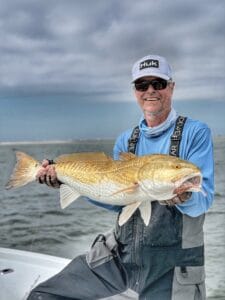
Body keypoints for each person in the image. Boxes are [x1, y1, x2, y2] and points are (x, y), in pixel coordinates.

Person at [27, 54, 214, 300]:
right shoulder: (127, 140)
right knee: (44, 295)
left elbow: (204, 199)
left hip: (171, 265)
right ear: (135, 91)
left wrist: (183, 197)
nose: (150, 91)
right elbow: (117, 200)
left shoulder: (195, 132)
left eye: (158, 84)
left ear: (171, 87)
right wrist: (69, 181)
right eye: (141, 85)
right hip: (122, 256)